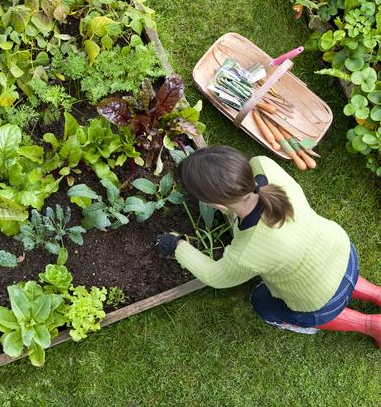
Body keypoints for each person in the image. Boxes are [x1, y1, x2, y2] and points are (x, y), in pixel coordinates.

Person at [156, 145, 381, 347]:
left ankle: (370, 324)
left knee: (261, 302)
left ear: (215, 204)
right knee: (330, 274)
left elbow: (216, 276)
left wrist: (178, 246)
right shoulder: (265, 165)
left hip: (318, 299)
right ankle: (376, 293)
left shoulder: (248, 250)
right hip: (342, 251)